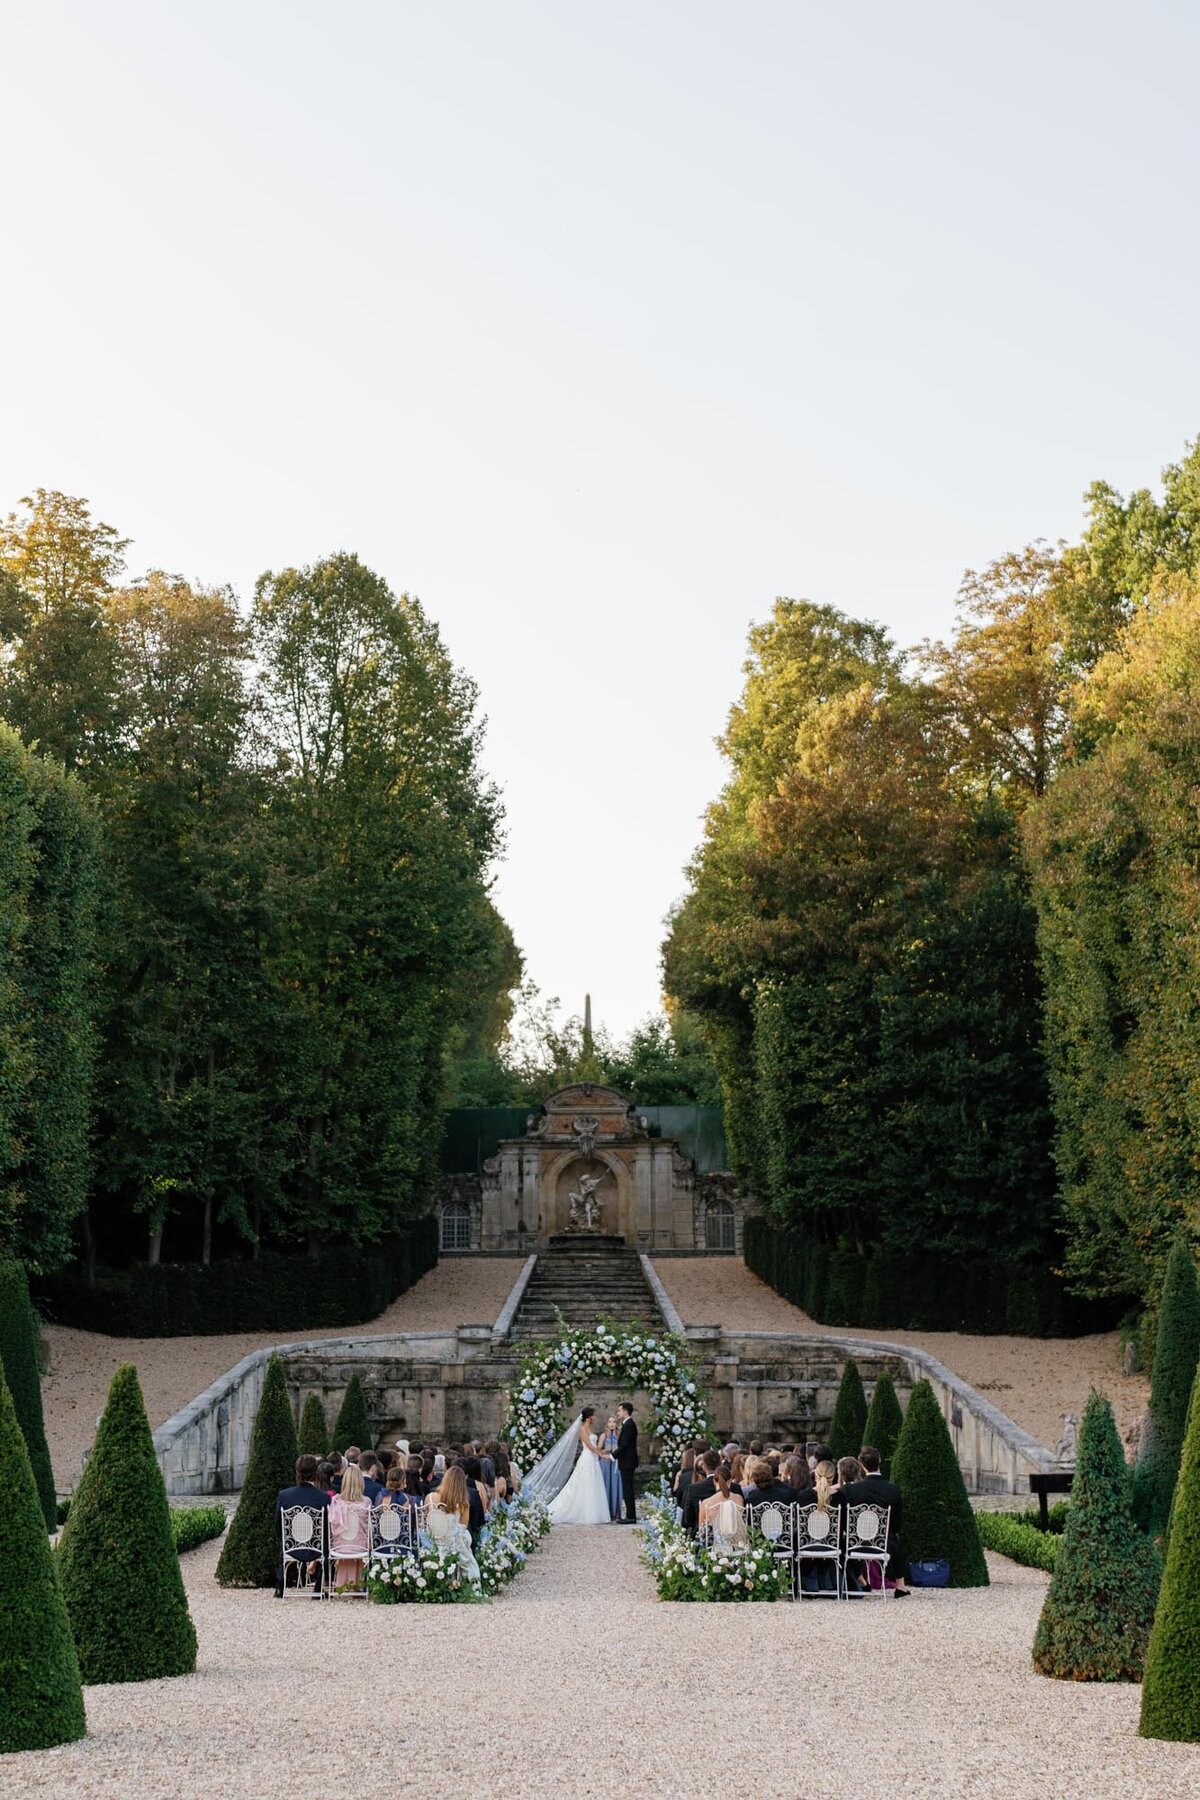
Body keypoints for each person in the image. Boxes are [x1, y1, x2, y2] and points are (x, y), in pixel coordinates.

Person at [831, 1446, 909, 1596]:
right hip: (884, 1542)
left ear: (861, 1465)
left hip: (855, 1542)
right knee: (899, 1541)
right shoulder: (893, 1490)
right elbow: (897, 1523)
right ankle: (900, 1586)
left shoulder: (850, 1491)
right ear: (879, 1461)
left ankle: (862, 1581)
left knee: (841, 1541)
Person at [274, 1453, 331, 1598]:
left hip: (292, 1546)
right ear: (316, 1472)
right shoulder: (323, 1497)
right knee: (327, 1540)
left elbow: (278, 1526)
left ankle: (280, 1586)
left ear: (297, 1472)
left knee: (284, 1540)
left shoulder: (284, 1495)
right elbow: (327, 1528)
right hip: (316, 1548)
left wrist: (286, 1539)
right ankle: (318, 1587)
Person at [547, 1408, 612, 1526]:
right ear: (589, 1418)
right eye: (594, 1416)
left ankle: (594, 1512)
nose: (595, 1418)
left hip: (593, 1459)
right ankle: (586, 1513)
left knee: (593, 1483)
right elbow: (589, 1446)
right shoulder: (582, 1429)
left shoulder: (590, 1429)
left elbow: (595, 1447)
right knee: (585, 1484)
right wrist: (602, 1454)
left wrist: (602, 1447)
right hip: (587, 1458)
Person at [425, 1465, 481, 1586]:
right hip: (453, 1545)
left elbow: (426, 1521)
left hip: (432, 1542)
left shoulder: (430, 1498)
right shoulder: (462, 1503)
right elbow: (463, 1527)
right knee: (466, 1537)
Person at [327, 1461, 372, 1590]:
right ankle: (357, 1584)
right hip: (359, 1546)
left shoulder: (336, 1501)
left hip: (340, 1546)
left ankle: (343, 1584)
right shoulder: (366, 1502)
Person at [698, 1461, 747, 1549]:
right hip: (738, 1546)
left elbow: (702, 1532)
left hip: (715, 1548)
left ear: (714, 1481)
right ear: (730, 1480)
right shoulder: (739, 1498)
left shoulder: (706, 1503)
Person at [684, 1450, 722, 1536]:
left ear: (704, 1467)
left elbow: (686, 1520)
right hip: (730, 1536)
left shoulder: (693, 1489)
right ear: (721, 1464)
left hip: (703, 1537)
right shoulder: (735, 1487)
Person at [615, 1401, 639, 1524]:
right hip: (627, 1461)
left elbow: (624, 1445)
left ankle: (631, 1516)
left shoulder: (629, 1425)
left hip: (628, 1462)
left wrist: (612, 1455)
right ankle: (630, 1514)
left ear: (625, 1411)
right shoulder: (627, 1424)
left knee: (628, 1489)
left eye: (619, 1410)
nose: (618, 1413)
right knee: (627, 1488)